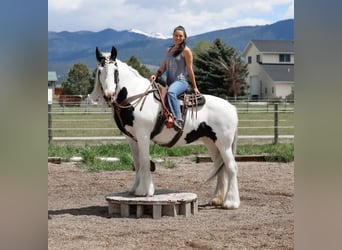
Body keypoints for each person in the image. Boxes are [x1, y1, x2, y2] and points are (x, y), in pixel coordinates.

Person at [150, 25, 200, 131]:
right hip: (169, 82)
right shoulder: (168, 50)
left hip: (181, 82)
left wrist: (195, 87)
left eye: (180, 36)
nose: (178, 38)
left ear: (184, 37)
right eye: (176, 35)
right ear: (173, 36)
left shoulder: (186, 51)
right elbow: (163, 67)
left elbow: (190, 70)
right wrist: (156, 75)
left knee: (171, 93)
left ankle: (178, 119)